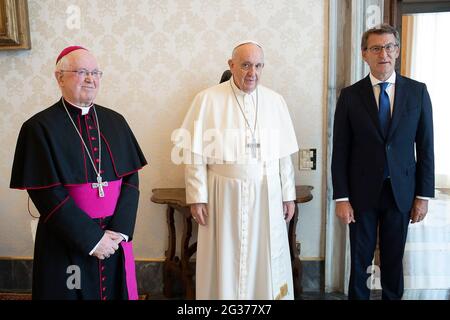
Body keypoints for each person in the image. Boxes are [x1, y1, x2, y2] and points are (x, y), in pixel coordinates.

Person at [10, 46, 147, 300]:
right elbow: (46, 193)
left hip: (114, 240)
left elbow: (131, 179)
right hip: (66, 240)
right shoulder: (39, 128)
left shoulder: (116, 121)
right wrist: (92, 240)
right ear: (59, 77)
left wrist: (119, 231)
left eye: (95, 72)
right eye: (81, 71)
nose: (90, 78)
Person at [173, 41, 299, 299]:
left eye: (258, 65)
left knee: (265, 255)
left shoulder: (275, 101)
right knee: (227, 257)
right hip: (224, 193)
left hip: (267, 191)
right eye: (245, 65)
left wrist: (288, 194)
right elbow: (194, 154)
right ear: (231, 65)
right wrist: (197, 196)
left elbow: (283, 155)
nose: (252, 72)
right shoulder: (207, 99)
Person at [331, 24, 434, 300]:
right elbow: (340, 150)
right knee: (359, 259)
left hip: (401, 192)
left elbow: (425, 148)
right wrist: (341, 198)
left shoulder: (418, 92)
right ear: (364, 54)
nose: (383, 54)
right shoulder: (350, 96)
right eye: (376, 48)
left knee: (393, 260)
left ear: (397, 51)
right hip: (360, 192)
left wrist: (423, 196)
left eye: (389, 47)